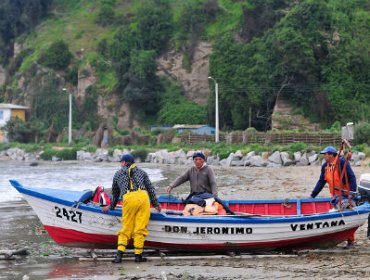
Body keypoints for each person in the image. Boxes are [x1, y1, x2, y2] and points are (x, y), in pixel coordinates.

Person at [102, 154, 161, 263]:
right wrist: (156, 204)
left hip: (129, 198)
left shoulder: (117, 174)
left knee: (126, 228)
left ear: (124, 162)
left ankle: (119, 256)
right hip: (143, 198)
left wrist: (111, 207)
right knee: (140, 228)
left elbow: (115, 194)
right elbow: (150, 189)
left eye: (121, 162)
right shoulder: (142, 172)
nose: (120, 164)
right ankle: (138, 257)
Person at [310, 145, 357, 248]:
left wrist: (352, 193)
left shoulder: (341, 162)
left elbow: (352, 177)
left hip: (345, 194)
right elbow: (321, 181)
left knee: (347, 216)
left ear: (331, 155)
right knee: (338, 217)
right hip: (335, 196)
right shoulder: (325, 167)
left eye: (325, 154)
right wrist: (313, 195)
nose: (324, 156)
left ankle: (351, 241)